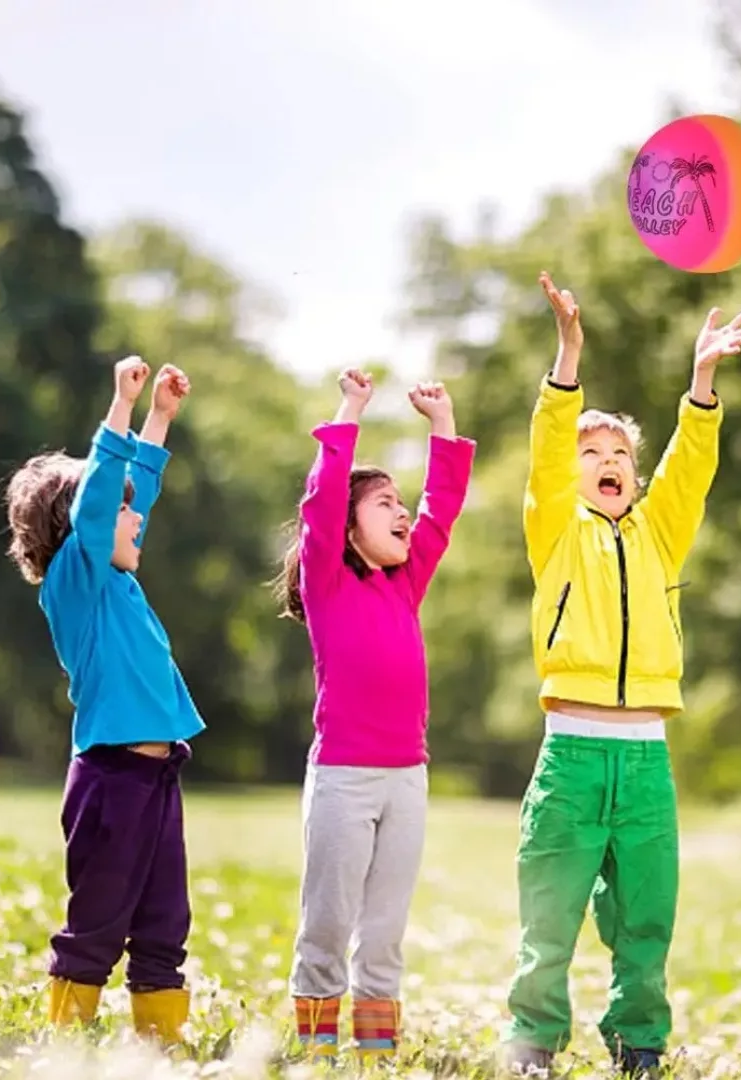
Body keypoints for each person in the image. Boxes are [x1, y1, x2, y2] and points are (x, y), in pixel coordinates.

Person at [501, 273, 741, 1077]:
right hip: (572, 760)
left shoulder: (658, 535)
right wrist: (569, 353)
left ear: (635, 477)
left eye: (621, 454)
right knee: (549, 919)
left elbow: (690, 467)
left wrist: (702, 382)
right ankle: (532, 1041)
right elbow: (548, 454)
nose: (607, 461)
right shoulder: (555, 530)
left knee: (647, 919)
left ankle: (640, 1044)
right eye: (594, 453)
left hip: (647, 763)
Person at [274, 369, 475, 1061]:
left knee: (385, 929)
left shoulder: (406, 581)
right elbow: (320, 504)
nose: (403, 512)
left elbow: (443, 508)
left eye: (401, 502)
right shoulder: (327, 582)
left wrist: (442, 425)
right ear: (349, 528)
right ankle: (315, 1053)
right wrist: (350, 409)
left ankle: (375, 1054)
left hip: (406, 781)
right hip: (342, 780)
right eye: (386, 503)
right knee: (328, 924)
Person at [4, 357, 204, 1046]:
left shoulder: (118, 581)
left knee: (163, 918)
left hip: (157, 777)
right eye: (121, 510)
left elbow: (130, 494)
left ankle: (161, 1039)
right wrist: (122, 404)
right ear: (79, 527)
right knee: (98, 917)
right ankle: (67, 1035)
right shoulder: (77, 586)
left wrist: (159, 420)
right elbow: (100, 507)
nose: (136, 519)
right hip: (111, 781)